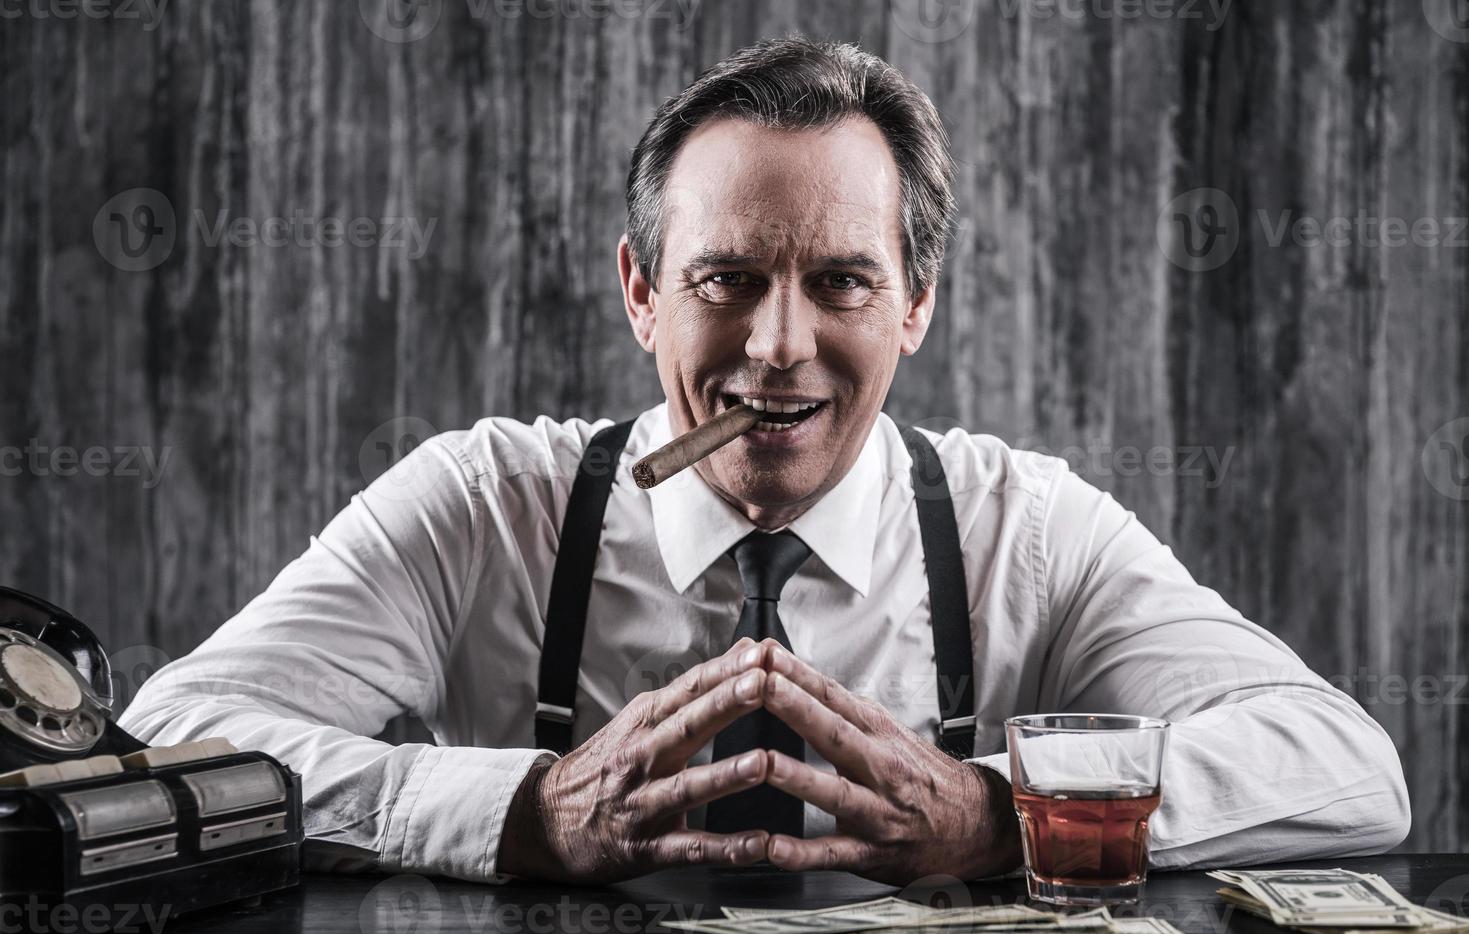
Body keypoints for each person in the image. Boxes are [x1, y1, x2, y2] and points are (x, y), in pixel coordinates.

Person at [120, 36, 1410, 887]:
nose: (778, 348)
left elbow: (1346, 767)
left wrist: (996, 812)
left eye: (842, 283)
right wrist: (521, 814)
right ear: (642, 293)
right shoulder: (484, 505)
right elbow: (174, 734)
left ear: (915, 305)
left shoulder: (1032, 530)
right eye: (725, 280)